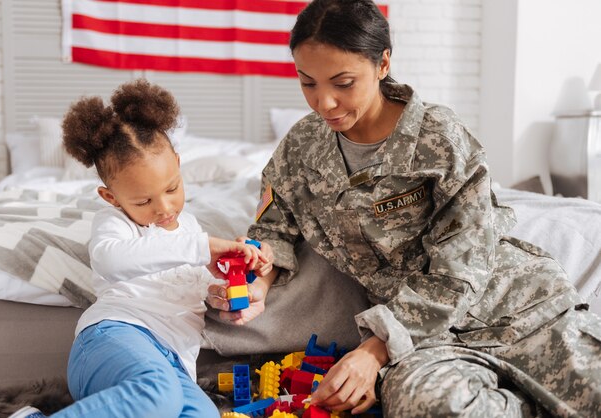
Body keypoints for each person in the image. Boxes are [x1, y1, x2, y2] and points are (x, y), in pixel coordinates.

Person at [207, 0, 601, 416]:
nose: (324, 103)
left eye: (343, 82)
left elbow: (461, 267)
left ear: (382, 64)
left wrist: (374, 350)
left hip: (517, 307)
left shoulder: (439, 136)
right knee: (422, 405)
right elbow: (273, 230)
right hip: (426, 340)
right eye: (308, 83)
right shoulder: (301, 147)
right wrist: (256, 286)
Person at [9, 79, 274, 418]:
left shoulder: (190, 229)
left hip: (175, 361)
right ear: (112, 197)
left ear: (178, 164)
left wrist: (227, 284)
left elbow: (188, 290)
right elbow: (111, 260)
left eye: (172, 188)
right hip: (114, 339)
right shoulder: (115, 223)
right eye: (144, 200)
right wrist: (202, 248)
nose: (164, 208)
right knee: (157, 393)